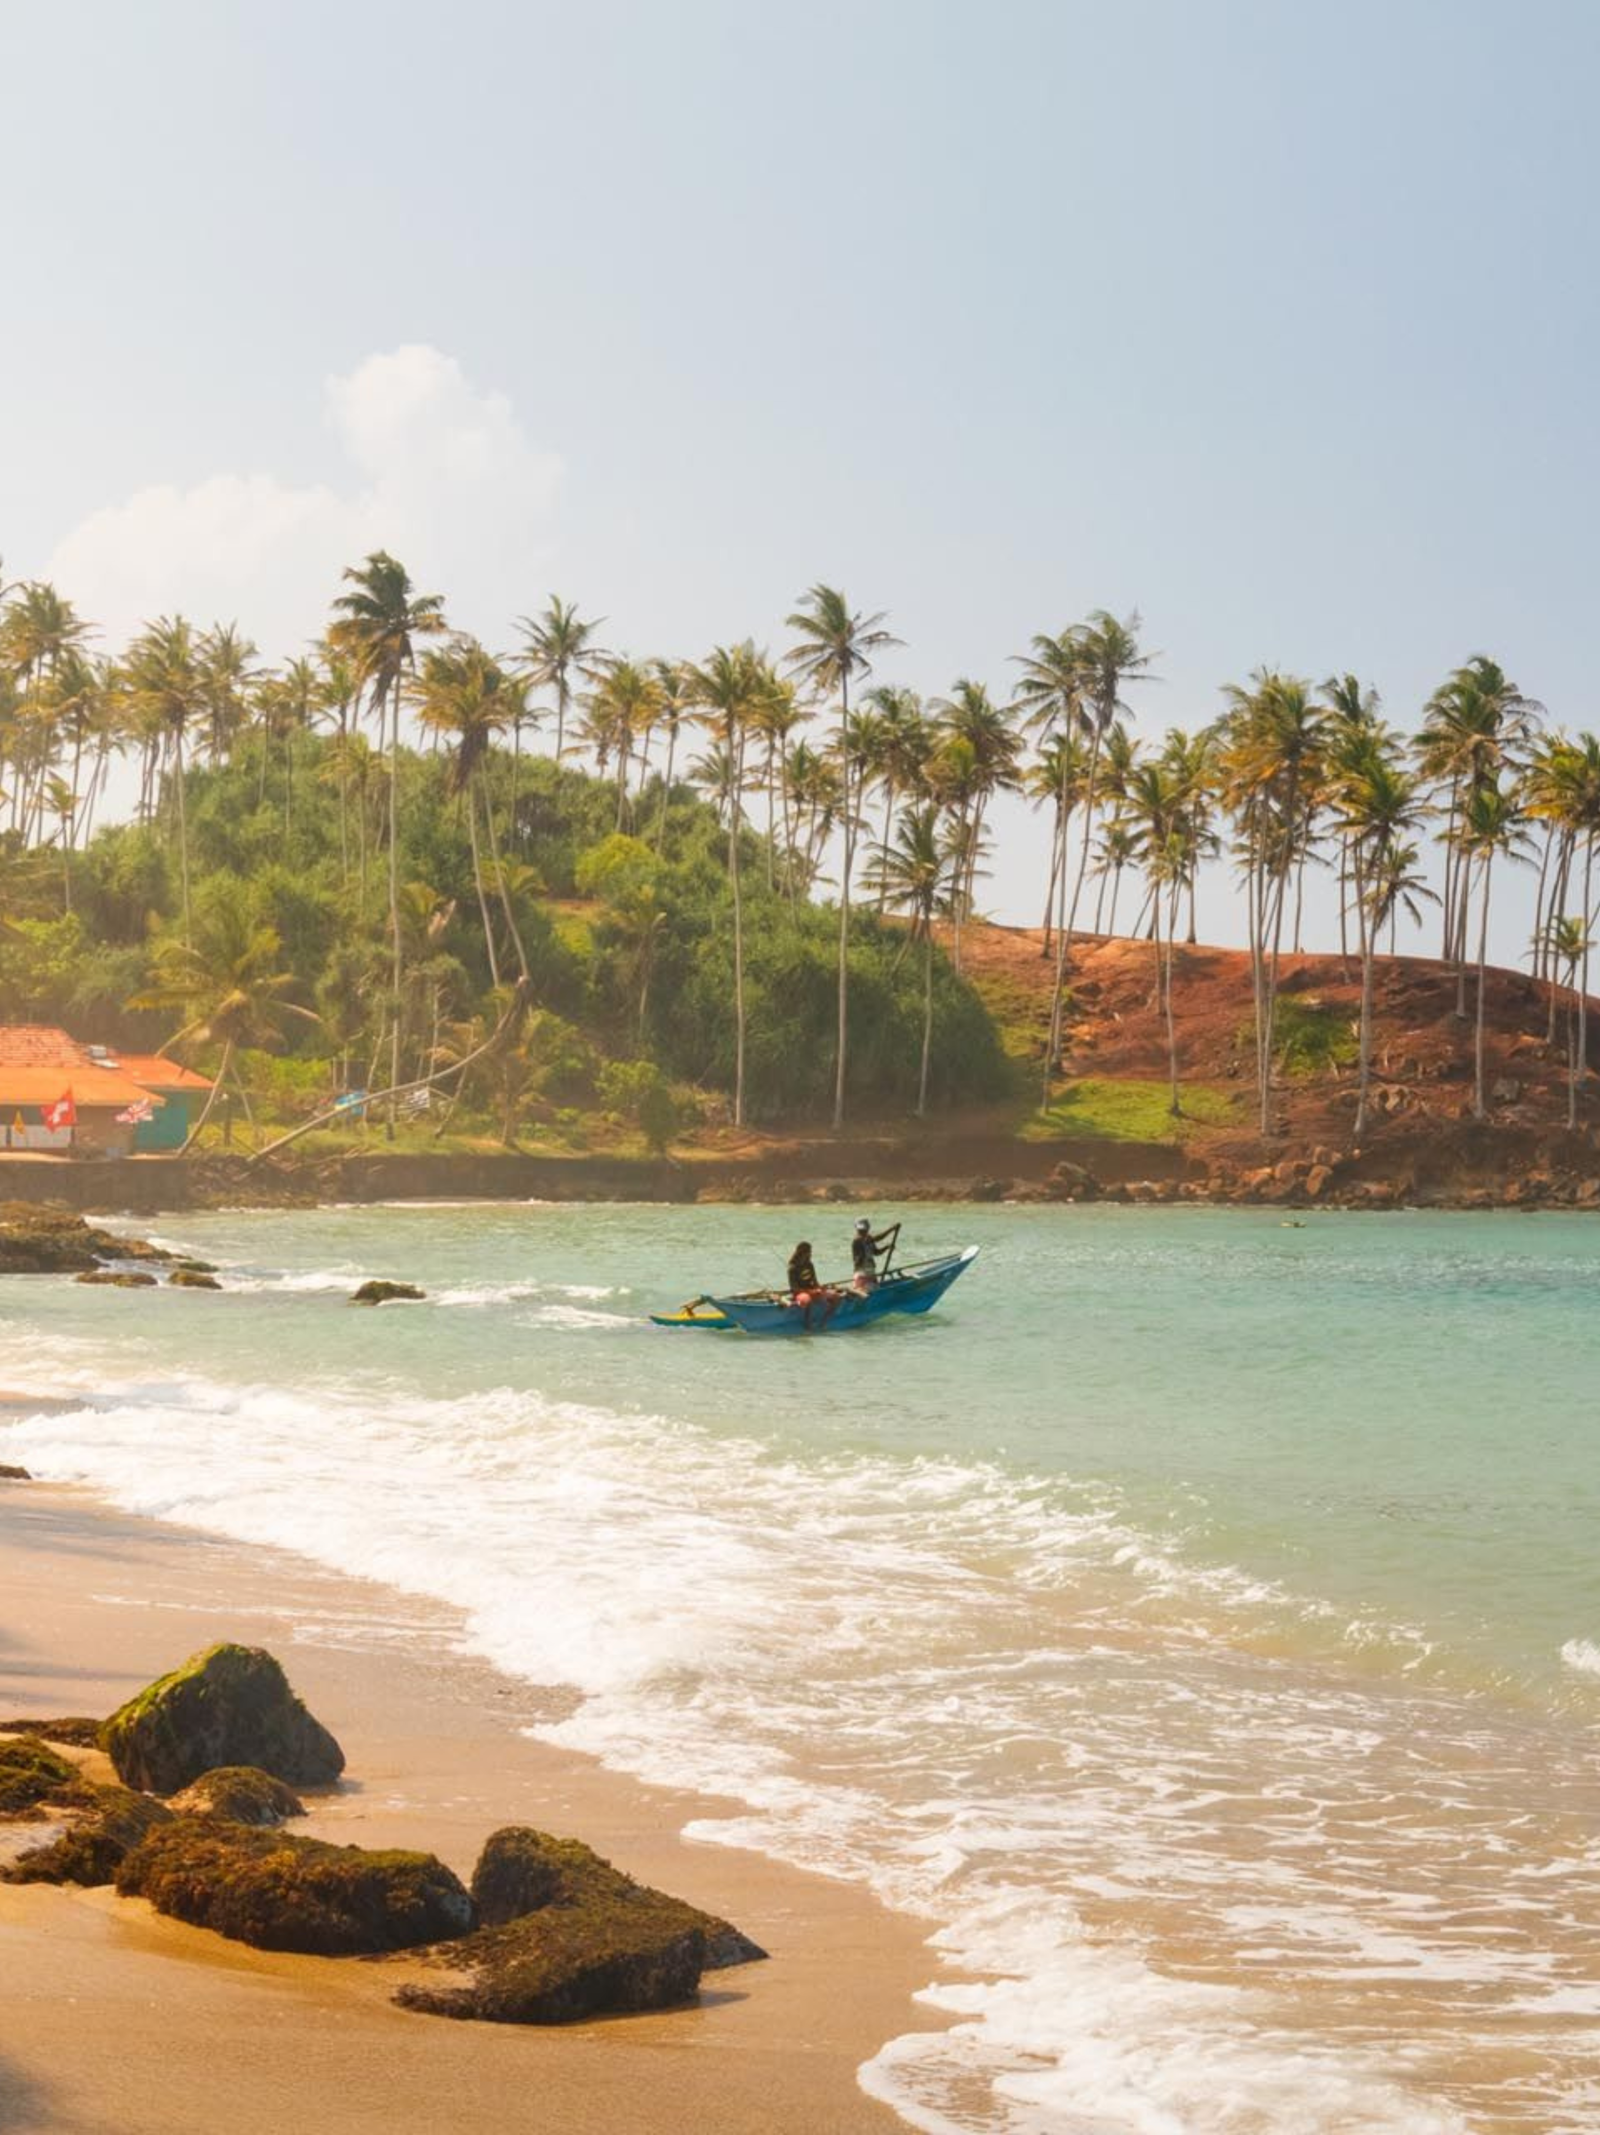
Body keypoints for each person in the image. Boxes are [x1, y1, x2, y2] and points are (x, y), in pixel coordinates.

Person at [786, 1241, 837, 1329]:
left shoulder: (809, 1264)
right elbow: (795, 1289)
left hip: (812, 1290)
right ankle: (808, 1324)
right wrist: (812, 1291)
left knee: (836, 1297)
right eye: (810, 1251)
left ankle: (824, 1322)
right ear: (803, 1252)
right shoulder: (792, 1268)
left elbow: (815, 1282)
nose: (811, 1253)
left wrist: (820, 1289)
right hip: (799, 1293)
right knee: (807, 1300)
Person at [850, 1216, 900, 1291]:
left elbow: (876, 1252)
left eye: (864, 1229)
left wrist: (887, 1247)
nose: (862, 1231)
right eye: (860, 1229)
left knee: (876, 1289)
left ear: (868, 1228)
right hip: (861, 1273)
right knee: (868, 1291)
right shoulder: (857, 1239)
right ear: (857, 1229)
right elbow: (878, 1238)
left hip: (871, 1271)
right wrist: (892, 1228)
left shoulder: (868, 1238)